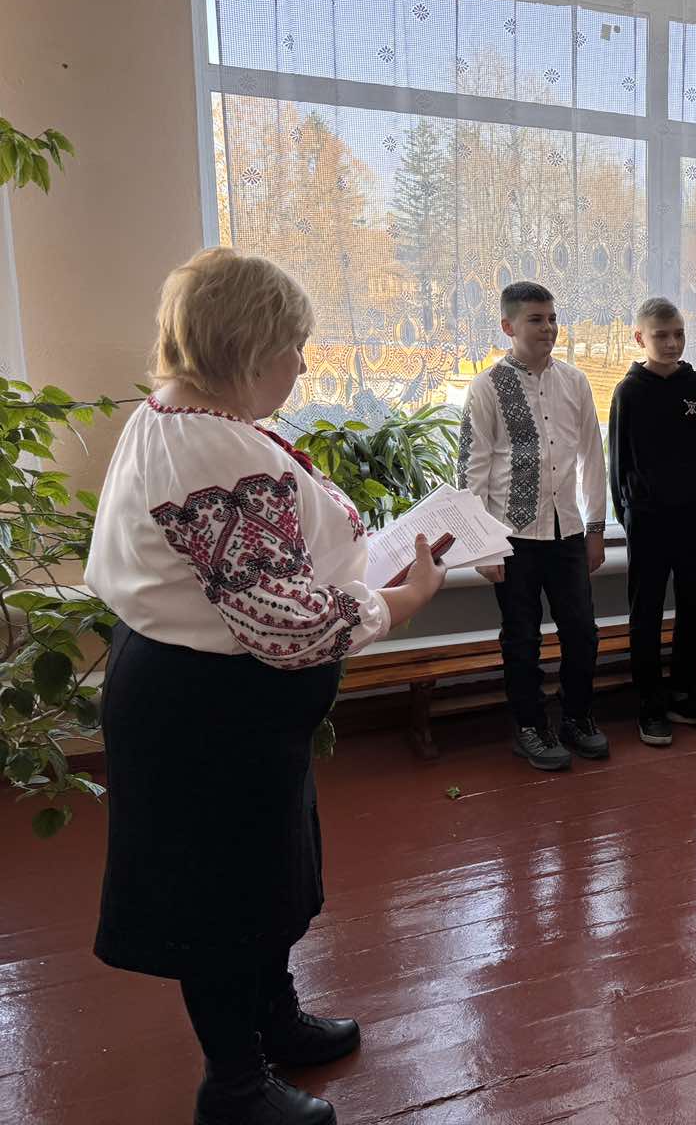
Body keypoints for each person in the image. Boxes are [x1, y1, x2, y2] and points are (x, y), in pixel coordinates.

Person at [84, 248, 448, 1125]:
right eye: (293, 345)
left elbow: (268, 569)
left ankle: (272, 1019)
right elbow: (289, 629)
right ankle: (236, 1085)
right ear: (248, 348)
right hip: (208, 711)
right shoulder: (211, 447)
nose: (303, 363)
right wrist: (399, 600)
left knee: (263, 877)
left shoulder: (183, 415)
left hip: (219, 704)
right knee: (219, 899)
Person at [459, 281, 608, 771]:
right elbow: (472, 472)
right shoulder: (486, 387)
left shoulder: (575, 382)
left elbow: (592, 457)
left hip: (567, 534)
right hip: (512, 538)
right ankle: (529, 727)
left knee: (582, 633)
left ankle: (577, 718)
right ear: (508, 326)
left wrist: (596, 528)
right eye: (536, 320)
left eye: (552, 318)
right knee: (522, 640)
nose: (548, 328)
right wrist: (482, 547)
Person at [609, 296, 696, 746]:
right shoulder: (629, 391)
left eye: (679, 334)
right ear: (640, 338)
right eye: (662, 335)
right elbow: (619, 464)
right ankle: (650, 702)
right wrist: (630, 516)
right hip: (648, 520)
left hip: (692, 515)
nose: (673, 343)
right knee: (648, 611)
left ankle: (683, 692)